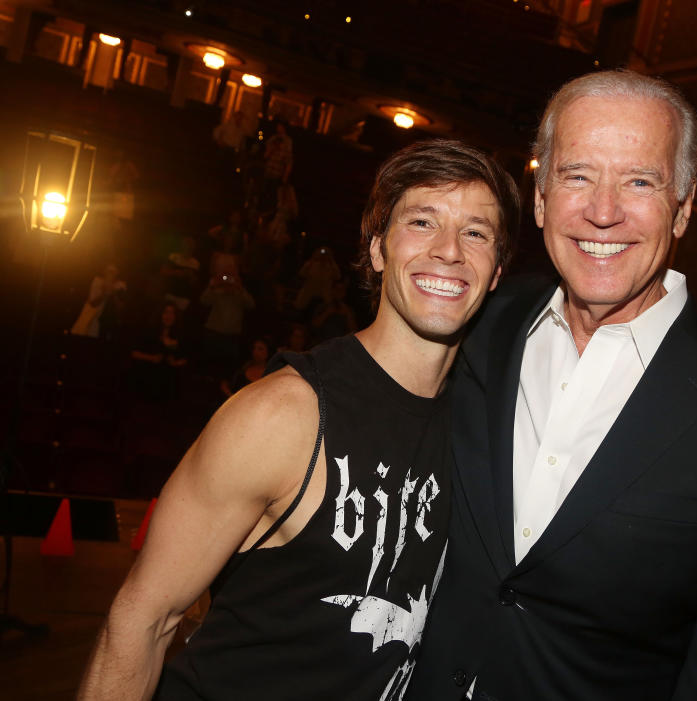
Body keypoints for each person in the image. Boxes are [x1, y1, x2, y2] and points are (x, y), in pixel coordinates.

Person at [408, 70, 697, 701]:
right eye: (577, 176)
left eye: (639, 181)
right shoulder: (476, 325)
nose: (603, 212)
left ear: (682, 208)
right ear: (541, 196)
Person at [77, 138, 519, 701]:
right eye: (423, 222)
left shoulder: (478, 430)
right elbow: (142, 621)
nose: (449, 251)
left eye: (476, 233)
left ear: (498, 270)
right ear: (378, 248)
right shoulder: (282, 414)